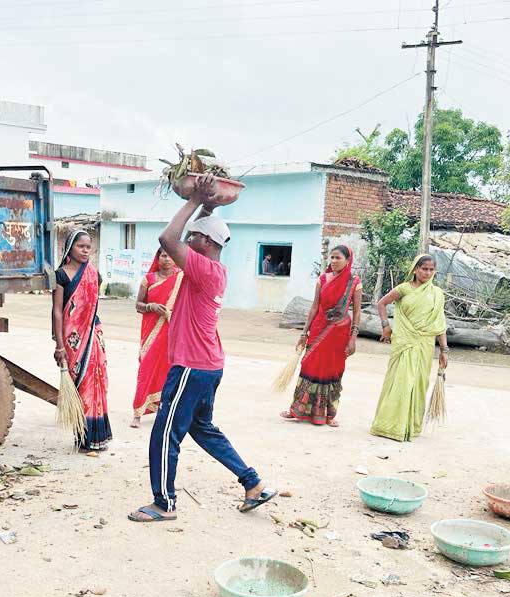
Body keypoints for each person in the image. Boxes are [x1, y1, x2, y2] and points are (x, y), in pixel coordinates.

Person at [130, 174, 275, 523]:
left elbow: (167, 238)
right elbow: (182, 237)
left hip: (192, 366)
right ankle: (252, 483)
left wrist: (194, 198)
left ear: (206, 243)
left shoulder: (202, 267)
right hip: (208, 365)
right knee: (202, 428)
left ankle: (163, 503)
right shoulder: (210, 268)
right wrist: (207, 204)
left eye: (193, 236)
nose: (186, 239)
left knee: (165, 432)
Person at [370, 253, 449, 442]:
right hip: (404, 341)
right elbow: (382, 303)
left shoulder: (437, 293)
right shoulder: (404, 289)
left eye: (431, 269)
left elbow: (440, 323)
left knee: (419, 383)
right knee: (400, 381)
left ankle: (410, 427)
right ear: (415, 269)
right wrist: (385, 326)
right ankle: (389, 425)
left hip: (425, 344)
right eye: (424, 269)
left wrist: (444, 350)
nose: (428, 273)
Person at [281, 245, 362, 427]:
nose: (333, 261)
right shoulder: (323, 278)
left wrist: (353, 337)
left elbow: (357, 312)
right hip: (319, 329)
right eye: (331, 258)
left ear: (348, 260)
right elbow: (314, 307)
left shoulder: (354, 282)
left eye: (337, 258)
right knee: (308, 365)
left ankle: (328, 415)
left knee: (333, 370)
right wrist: (304, 332)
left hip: (339, 332)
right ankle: (297, 409)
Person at [52, 229, 112, 452]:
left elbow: (92, 307)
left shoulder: (93, 273)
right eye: (81, 246)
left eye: (89, 247)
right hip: (72, 339)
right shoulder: (61, 275)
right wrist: (59, 345)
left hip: (93, 335)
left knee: (97, 381)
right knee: (81, 385)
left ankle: (98, 435)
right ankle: (83, 437)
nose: (86, 250)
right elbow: (57, 312)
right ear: (70, 247)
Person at [131, 249, 183, 428]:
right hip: (151, 332)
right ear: (157, 258)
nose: (167, 259)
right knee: (146, 369)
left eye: (170, 255)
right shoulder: (149, 279)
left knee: (169, 371)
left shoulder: (180, 278)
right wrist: (151, 306)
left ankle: (166, 410)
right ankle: (138, 413)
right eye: (163, 256)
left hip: (172, 331)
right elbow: (138, 305)